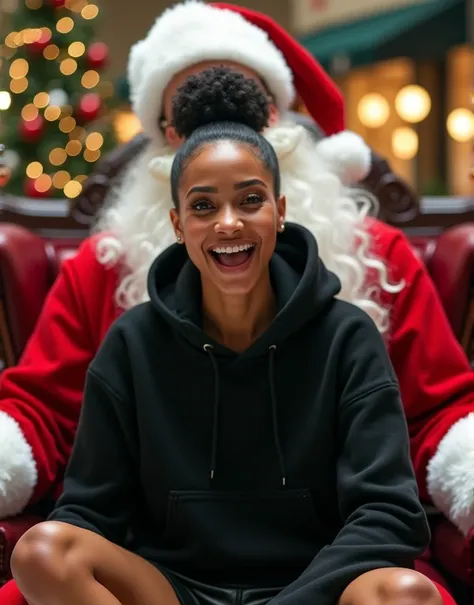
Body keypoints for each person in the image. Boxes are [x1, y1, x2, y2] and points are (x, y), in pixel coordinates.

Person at [8, 69, 473, 605]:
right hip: (173, 594)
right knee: (40, 554)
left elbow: (389, 516)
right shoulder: (131, 342)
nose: (228, 223)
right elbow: (90, 510)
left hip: (313, 593)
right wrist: (78, 573)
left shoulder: (348, 337)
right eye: (204, 206)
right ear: (178, 222)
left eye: (249, 200)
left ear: (280, 211)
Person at [0, 3, 473, 539]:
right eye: (190, 114)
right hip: (156, 550)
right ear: (162, 138)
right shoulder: (103, 269)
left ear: (283, 120)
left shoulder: (378, 259)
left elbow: (441, 410)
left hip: (332, 539)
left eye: (249, 107)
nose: (220, 133)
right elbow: (40, 410)